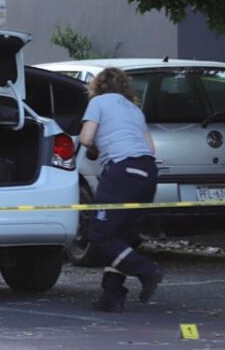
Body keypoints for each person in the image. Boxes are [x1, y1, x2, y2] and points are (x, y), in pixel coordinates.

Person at [79, 67, 161, 313]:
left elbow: (85, 138)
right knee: (121, 236)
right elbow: (150, 147)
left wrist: (95, 150)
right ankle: (112, 296)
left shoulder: (99, 102)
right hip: (147, 172)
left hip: (122, 172)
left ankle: (147, 270)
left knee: (100, 234)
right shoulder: (134, 109)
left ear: (97, 87)